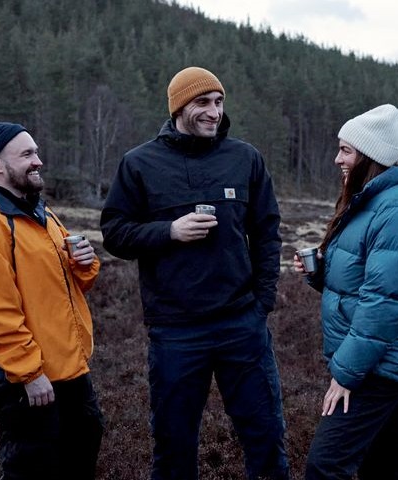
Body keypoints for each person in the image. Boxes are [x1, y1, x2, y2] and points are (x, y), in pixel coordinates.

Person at [100, 66, 287, 480]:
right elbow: (114, 233)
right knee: (174, 448)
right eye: (203, 102)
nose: (214, 112)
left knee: (266, 440)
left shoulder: (245, 158)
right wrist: (169, 231)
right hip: (176, 331)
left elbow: (268, 231)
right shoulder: (140, 164)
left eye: (219, 102)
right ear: (179, 107)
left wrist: (263, 302)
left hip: (241, 324)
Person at [293, 104, 398, 479]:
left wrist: (345, 375)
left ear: (369, 156)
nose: (336, 158)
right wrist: (320, 272)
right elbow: (366, 284)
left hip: (375, 366)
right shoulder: (371, 202)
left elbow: (384, 305)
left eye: (346, 150)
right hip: (372, 360)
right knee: (389, 469)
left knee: (325, 467)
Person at [0, 122, 104, 479]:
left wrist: (85, 262)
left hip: (69, 368)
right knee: (34, 468)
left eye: (36, 152)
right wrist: (29, 373)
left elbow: (77, 280)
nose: (38, 161)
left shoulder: (42, 214)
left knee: (83, 450)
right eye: (27, 154)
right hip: (29, 380)